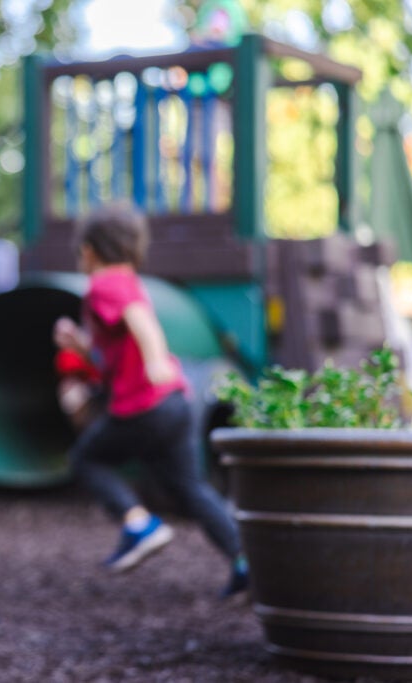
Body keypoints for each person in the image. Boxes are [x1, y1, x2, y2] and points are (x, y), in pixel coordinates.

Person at [52, 202, 248, 597]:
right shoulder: (128, 279)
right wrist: (82, 345)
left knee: (88, 458)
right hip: (175, 404)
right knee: (190, 488)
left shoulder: (105, 285)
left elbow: (139, 318)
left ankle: (140, 524)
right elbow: (113, 353)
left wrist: (156, 357)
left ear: (89, 250)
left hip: (143, 406)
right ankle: (246, 562)